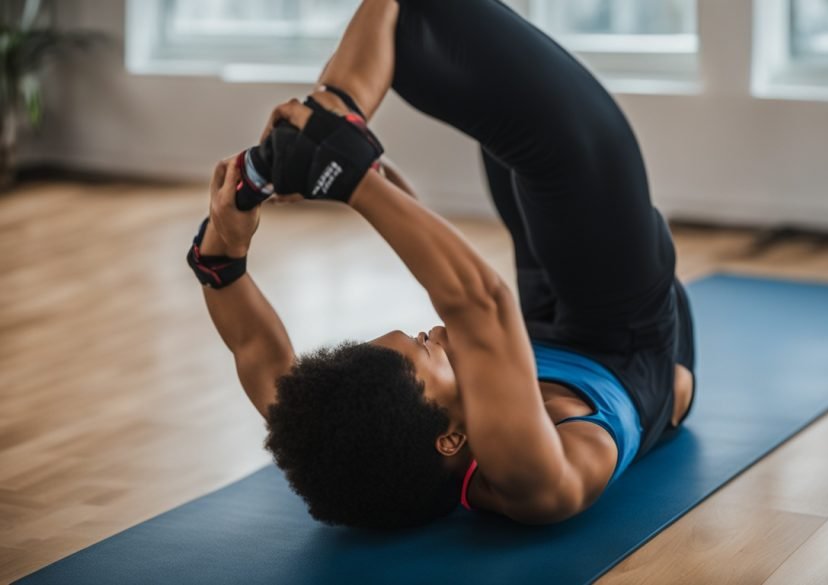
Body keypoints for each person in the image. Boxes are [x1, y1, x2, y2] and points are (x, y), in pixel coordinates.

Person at [188, 0, 696, 529]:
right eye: (428, 349)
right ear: (451, 437)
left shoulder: (331, 435)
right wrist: (349, 176)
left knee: (442, 63)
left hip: (545, 323)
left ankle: (337, 109)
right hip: (627, 337)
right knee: (563, 142)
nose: (432, 331)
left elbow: (253, 345)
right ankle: (336, 110)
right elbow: (480, 302)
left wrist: (224, 241)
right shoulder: (534, 480)